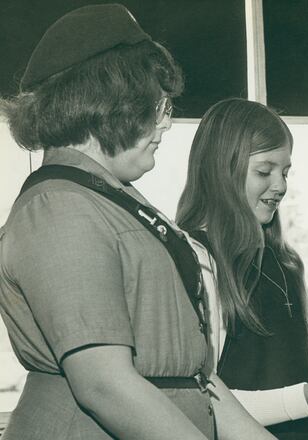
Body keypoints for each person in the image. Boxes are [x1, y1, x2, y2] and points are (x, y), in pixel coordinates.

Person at [0, 4, 274, 439]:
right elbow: (105, 385)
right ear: (110, 103)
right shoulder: (59, 207)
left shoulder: (108, 199)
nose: (165, 124)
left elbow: (196, 380)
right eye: (159, 105)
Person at [176, 98, 308, 439]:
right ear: (222, 170)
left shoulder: (286, 262)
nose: (280, 186)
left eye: (285, 172)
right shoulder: (194, 257)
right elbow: (197, 401)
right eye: (264, 171)